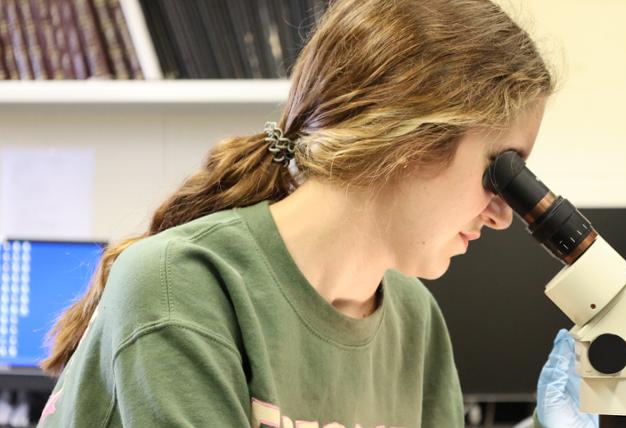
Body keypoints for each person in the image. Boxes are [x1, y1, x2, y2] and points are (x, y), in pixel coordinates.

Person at [35, 0, 580, 426]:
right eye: (501, 171)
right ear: (412, 142)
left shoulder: (413, 319)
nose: (504, 215)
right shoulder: (181, 289)